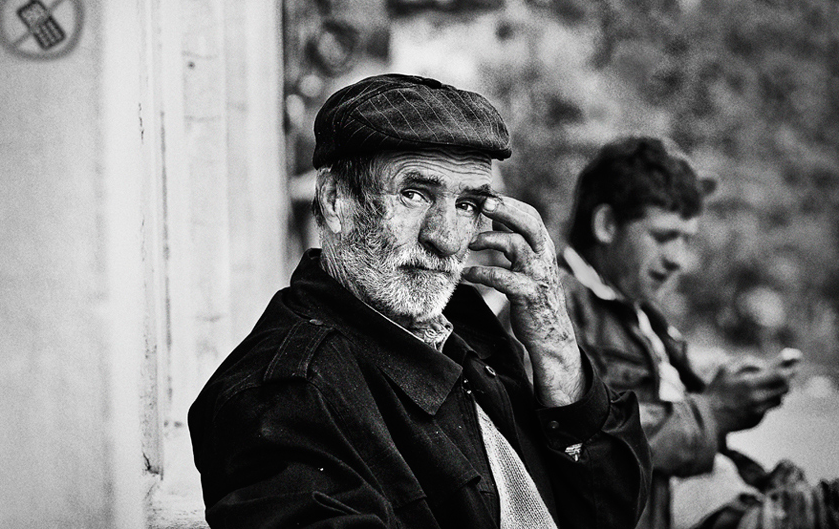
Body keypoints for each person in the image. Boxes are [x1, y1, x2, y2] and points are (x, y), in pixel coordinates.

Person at [188, 74, 651, 529]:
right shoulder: (284, 397)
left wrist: (554, 342)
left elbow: (609, 510)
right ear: (335, 200)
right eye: (414, 194)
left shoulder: (465, 326)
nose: (445, 238)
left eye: (468, 205)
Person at [558, 136, 839, 529]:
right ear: (606, 225)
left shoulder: (640, 312)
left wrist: (732, 385)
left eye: (686, 239)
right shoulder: (555, 308)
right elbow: (585, 437)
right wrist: (714, 412)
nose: (679, 259)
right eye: (663, 236)